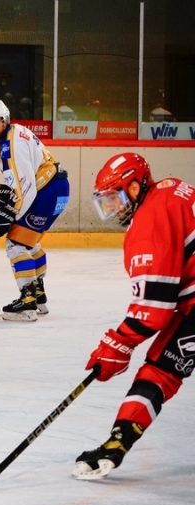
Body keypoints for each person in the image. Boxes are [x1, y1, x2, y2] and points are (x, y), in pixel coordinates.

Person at [72, 153, 194, 480]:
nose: (111, 209)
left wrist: (118, 343)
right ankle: (118, 442)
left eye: (114, 198)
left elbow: (154, 309)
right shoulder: (171, 190)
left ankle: (118, 441)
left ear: (136, 187)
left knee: (161, 370)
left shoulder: (150, 219)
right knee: (162, 367)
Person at [0, 99, 70, 322]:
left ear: (5, 121)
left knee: (16, 243)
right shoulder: (15, 133)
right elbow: (23, 179)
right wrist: (9, 199)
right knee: (30, 241)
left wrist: (9, 214)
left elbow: (27, 185)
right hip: (56, 189)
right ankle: (39, 294)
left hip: (45, 192)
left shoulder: (10, 144)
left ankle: (27, 300)